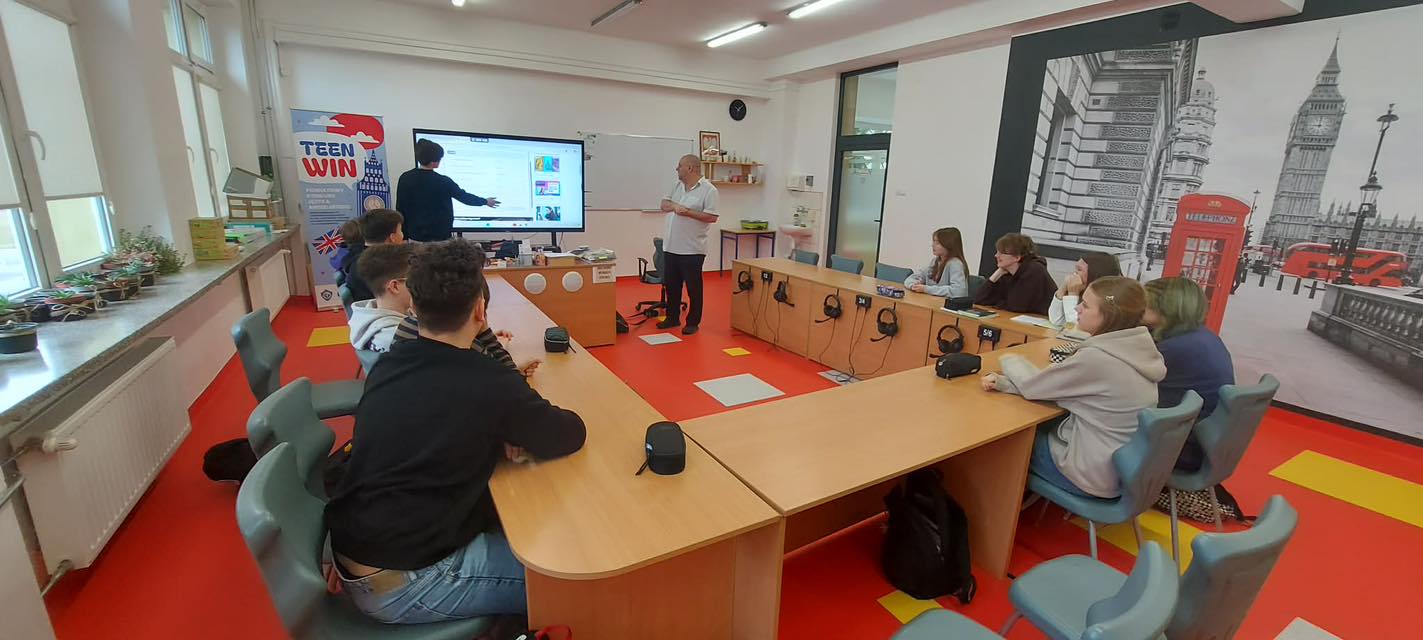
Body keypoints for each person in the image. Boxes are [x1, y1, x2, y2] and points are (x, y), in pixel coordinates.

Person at [326, 239, 586, 624]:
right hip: (410, 579)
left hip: (358, 548)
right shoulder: (487, 382)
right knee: (574, 581)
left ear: (413, 307)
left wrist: (500, 427)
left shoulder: (391, 361)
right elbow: (568, 433)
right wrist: (509, 425)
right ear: (480, 310)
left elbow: (445, 417)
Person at [981, 277, 1165, 498]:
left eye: (1085, 305)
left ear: (1109, 316)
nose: (1077, 308)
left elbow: (1032, 386)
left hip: (1090, 475)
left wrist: (1008, 357)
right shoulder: (1139, 350)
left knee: (1004, 441)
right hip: (1119, 470)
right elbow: (1064, 391)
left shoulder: (1098, 359)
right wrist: (1007, 384)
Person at [1144, 277, 1235, 472]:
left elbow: (1124, 380)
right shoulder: (1203, 336)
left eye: (1146, 303)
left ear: (1166, 309)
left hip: (1183, 446)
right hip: (1205, 438)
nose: (1139, 307)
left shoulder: (1174, 349)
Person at [657, 154, 719, 335]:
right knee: (672, 286)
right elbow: (664, 204)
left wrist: (688, 212)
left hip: (692, 249)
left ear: (690, 168)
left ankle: (692, 322)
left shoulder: (709, 190)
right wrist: (674, 207)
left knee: (693, 288)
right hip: (671, 246)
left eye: (680, 165)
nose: (677, 169)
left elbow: (712, 217)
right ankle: (672, 317)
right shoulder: (676, 186)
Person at [396, 139, 501, 242]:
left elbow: (400, 208)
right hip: (440, 238)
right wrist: (485, 201)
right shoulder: (443, 181)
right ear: (434, 161)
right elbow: (464, 197)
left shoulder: (405, 178)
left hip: (415, 237)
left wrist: (403, 237)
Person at [347, 243, 415, 353]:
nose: (423, 284)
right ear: (395, 286)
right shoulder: (398, 338)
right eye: (417, 279)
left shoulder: (365, 318)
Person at [974, 232, 1057, 314]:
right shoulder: (1006, 272)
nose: (996, 255)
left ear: (1017, 257)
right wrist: (995, 276)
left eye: (1001, 253)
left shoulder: (1034, 270)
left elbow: (1016, 306)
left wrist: (999, 303)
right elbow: (979, 300)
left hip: (1043, 318)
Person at [345, 209, 406, 302]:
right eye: (400, 231)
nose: (402, 235)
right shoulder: (384, 266)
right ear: (392, 238)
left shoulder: (356, 257)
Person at [1049, 251, 1122, 327]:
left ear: (1094, 273)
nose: (1074, 274)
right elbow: (1057, 320)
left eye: (1079, 269)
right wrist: (1063, 288)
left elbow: (1077, 327)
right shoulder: (1082, 290)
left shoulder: (1107, 300)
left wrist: (1073, 294)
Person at [904, 227, 970, 298]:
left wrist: (926, 289)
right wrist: (913, 285)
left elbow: (959, 292)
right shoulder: (935, 261)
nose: (933, 245)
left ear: (949, 245)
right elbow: (911, 278)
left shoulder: (956, 264)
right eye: (933, 242)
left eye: (937, 243)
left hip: (946, 304)